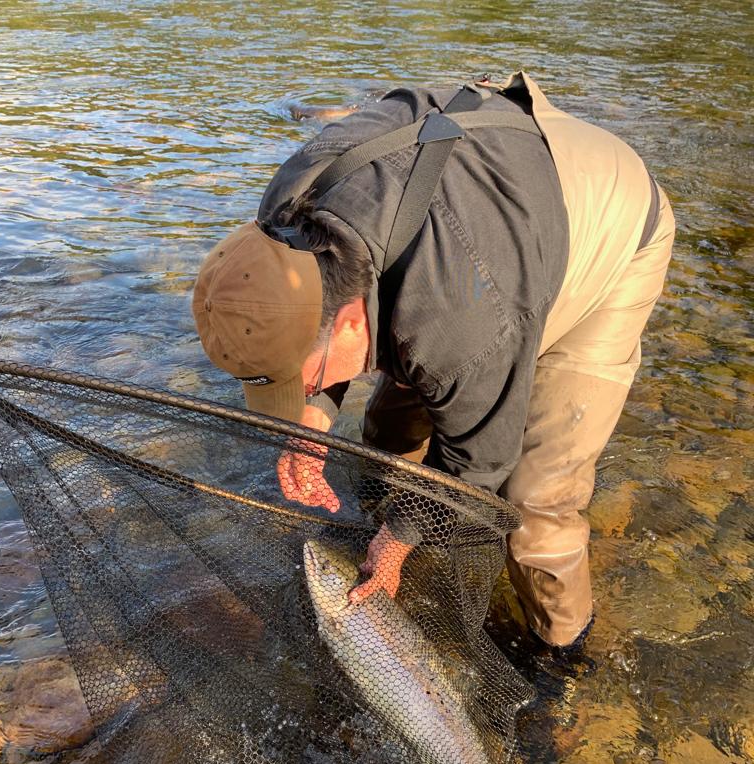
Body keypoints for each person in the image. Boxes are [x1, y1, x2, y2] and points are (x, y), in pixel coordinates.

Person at [192, 71, 675, 650]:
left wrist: (400, 538)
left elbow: (480, 461)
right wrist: (312, 417)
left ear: (350, 323)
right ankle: (403, 531)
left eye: (300, 378)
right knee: (389, 432)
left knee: (534, 502)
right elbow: (316, 314)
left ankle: (563, 657)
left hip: (606, 222)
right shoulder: (276, 229)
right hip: (478, 200)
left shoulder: (461, 314)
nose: (298, 390)